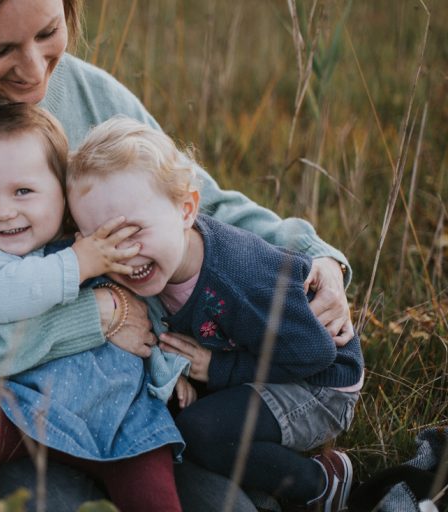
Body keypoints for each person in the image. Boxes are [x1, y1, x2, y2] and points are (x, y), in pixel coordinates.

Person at [0, 1, 355, 510]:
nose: (34, 70)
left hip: (95, 392)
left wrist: (313, 256)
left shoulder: (89, 93)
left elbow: (194, 200)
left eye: (48, 32)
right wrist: (96, 317)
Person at [65, 116, 365, 512]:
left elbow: (316, 352)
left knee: (204, 432)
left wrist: (219, 369)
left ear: (186, 209)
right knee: (191, 417)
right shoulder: (157, 263)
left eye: (135, 231)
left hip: (318, 383)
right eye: (102, 241)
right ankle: (261, 487)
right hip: (259, 355)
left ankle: (321, 484)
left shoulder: (240, 280)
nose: (124, 255)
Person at [0, 102, 189, 512]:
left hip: (124, 415)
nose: (4, 211)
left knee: (154, 492)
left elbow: (147, 309)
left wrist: (169, 369)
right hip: (28, 406)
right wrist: (78, 263)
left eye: (23, 191)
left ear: (63, 192)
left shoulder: (90, 234)